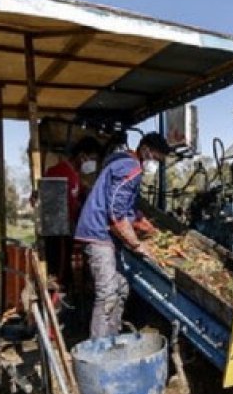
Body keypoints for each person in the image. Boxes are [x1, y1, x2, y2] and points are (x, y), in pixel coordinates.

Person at [74, 132, 173, 339]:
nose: (155, 163)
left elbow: (127, 208)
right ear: (145, 150)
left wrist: (145, 225)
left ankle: (113, 338)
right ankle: (99, 349)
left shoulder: (127, 164)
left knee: (121, 288)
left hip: (107, 235)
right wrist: (137, 245)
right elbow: (116, 213)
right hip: (98, 233)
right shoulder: (131, 167)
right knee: (108, 293)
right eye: (156, 158)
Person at [44, 136, 103, 288]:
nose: (93, 163)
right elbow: (52, 208)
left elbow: (77, 193)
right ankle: (58, 301)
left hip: (68, 229)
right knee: (59, 274)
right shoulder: (57, 172)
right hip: (59, 233)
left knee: (67, 273)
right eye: (93, 159)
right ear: (82, 156)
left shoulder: (74, 174)